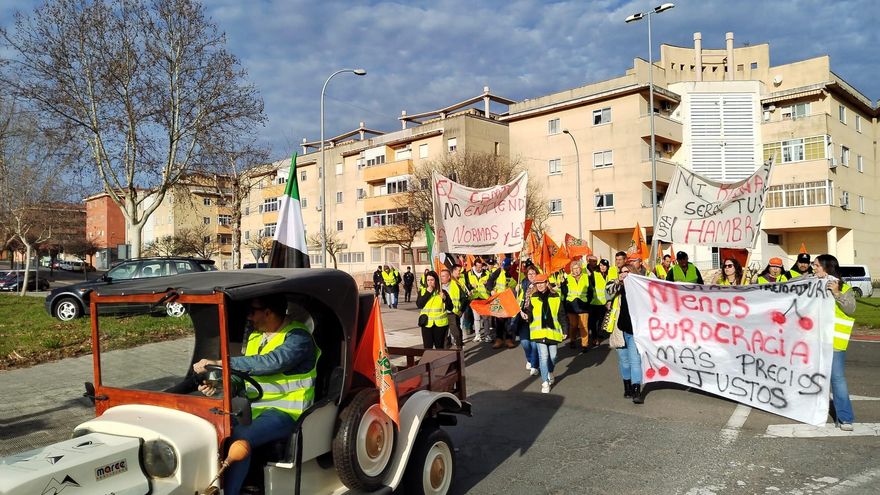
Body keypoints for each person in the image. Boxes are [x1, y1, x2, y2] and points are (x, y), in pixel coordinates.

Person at [193, 294, 319, 495]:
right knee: (211, 429)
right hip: (254, 411)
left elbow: (272, 362)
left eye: (252, 311)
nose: (249, 317)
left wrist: (222, 363)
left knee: (240, 438)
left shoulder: (298, 337)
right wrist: (219, 386)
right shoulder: (256, 337)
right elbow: (242, 378)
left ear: (268, 312)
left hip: (289, 414)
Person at [812, 254, 856, 430]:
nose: (813, 268)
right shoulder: (811, 283)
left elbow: (851, 309)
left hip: (834, 342)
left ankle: (845, 418)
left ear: (826, 267)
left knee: (837, 379)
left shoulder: (844, 287)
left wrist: (836, 293)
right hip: (814, 340)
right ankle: (810, 411)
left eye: (816, 265)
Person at [520, 273, 567, 393]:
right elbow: (530, 314)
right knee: (543, 356)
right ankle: (545, 382)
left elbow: (561, 314)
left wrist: (565, 329)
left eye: (542, 283)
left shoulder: (556, 296)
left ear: (547, 283)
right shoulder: (533, 297)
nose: (540, 285)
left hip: (553, 332)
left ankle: (550, 371)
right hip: (539, 332)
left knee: (553, 356)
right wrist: (526, 316)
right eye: (537, 283)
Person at [605, 266, 644, 404]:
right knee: (624, 362)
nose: (624, 274)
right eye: (621, 272)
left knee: (635, 361)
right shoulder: (617, 288)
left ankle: (636, 390)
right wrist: (617, 281)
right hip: (619, 330)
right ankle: (627, 386)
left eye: (627, 271)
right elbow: (607, 292)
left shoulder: (640, 289)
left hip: (634, 332)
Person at [416, 270, 453, 349]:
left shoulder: (442, 292)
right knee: (427, 347)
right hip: (426, 323)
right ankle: (428, 361)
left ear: (436, 280)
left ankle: (438, 361)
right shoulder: (422, 291)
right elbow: (419, 305)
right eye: (428, 280)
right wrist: (428, 293)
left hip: (440, 324)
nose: (430, 282)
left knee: (439, 347)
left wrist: (445, 298)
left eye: (432, 280)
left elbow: (450, 307)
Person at [516, 264, 540, 375]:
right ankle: (530, 359)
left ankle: (535, 365)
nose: (531, 275)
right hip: (523, 316)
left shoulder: (540, 284)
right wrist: (520, 312)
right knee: (525, 342)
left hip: (535, 317)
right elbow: (517, 301)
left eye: (533, 273)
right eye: (529, 273)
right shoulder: (522, 285)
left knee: (535, 343)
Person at [561, 260, 590, 351]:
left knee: (584, 326)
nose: (576, 270)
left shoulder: (586, 277)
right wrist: (562, 284)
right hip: (571, 305)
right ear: (571, 270)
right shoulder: (567, 278)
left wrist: (588, 301)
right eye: (574, 269)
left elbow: (591, 290)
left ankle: (584, 345)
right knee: (573, 325)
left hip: (583, 305)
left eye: (578, 268)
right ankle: (572, 340)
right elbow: (565, 292)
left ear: (580, 268)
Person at [463, 258, 492, 343]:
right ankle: (477, 335)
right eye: (478, 267)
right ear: (474, 266)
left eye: (481, 267)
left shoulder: (487, 273)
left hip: (484, 298)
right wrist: (471, 286)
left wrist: (488, 283)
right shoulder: (468, 274)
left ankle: (487, 335)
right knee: (476, 318)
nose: (479, 269)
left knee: (486, 318)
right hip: (474, 298)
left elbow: (491, 284)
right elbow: (466, 285)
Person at [586, 256, 609, 349]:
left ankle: (598, 335)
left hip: (604, 304)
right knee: (592, 322)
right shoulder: (595, 274)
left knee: (601, 322)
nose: (603, 267)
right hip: (593, 303)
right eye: (601, 265)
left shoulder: (608, 276)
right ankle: (594, 338)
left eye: (605, 266)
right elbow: (588, 287)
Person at [440, 267, 464, 349]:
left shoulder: (456, 286)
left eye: (443, 276)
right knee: (444, 334)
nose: (441, 278)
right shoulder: (438, 287)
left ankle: (459, 347)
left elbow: (464, 298)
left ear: (449, 277)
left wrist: (461, 310)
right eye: (441, 276)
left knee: (456, 332)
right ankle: (446, 350)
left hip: (452, 313)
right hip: (441, 313)